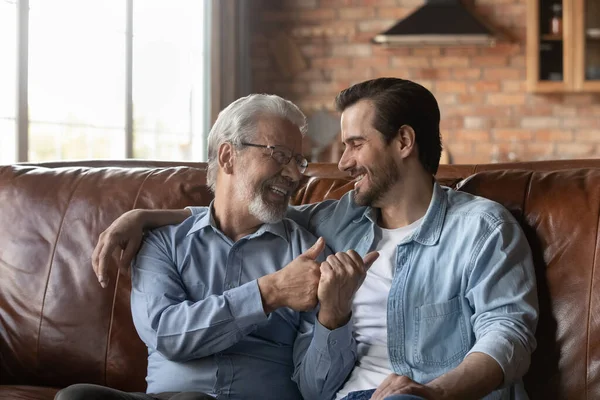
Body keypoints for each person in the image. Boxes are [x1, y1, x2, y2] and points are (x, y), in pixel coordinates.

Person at [92, 78, 539, 400]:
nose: (341, 163)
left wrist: (433, 394)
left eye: (355, 144)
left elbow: (508, 334)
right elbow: (246, 210)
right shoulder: (334, 225)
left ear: (404, 141)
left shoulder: (482, 228)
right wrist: (145, 216)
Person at [56, 94, 378, 400]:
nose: (294, 174)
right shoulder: (163, 242)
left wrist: (333, 316)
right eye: (279, 155)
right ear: (228, 156)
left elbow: (317, 391)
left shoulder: (306, 253)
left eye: (298, 160)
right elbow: (167, 335)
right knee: (75, 396)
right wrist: (269, 292)